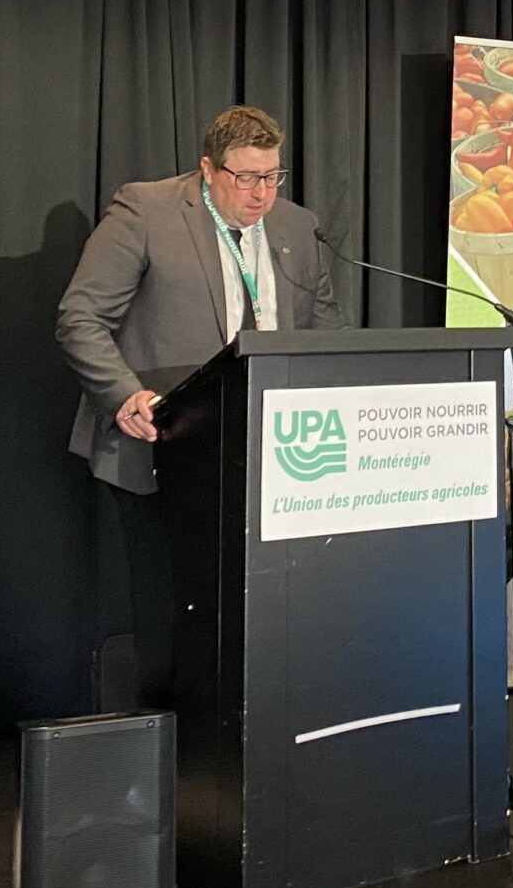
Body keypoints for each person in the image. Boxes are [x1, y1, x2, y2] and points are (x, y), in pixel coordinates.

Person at [55, 105, 348, 707]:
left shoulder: (296, 227)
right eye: (245, 177)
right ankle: (168, 742)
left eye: (272, 176)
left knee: (252, 611)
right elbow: (80, 317)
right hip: (159, 444)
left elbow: (325, 331)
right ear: (208, 169)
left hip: (270, 457)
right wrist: (123, 393)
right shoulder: (147, 210)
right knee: (170, 611)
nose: (261, 193)